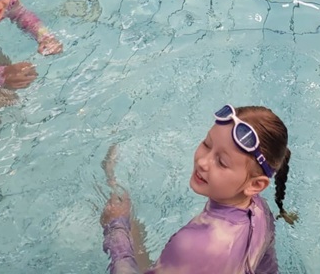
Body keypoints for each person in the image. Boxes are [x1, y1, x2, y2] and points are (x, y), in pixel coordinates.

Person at [102, 104, 297, 274]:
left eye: (221, 162)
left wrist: (116, 228)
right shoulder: (260, 211)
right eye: (207, 144)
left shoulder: (192, 245)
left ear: (255, 185)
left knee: (127, 226)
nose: (203, 162)